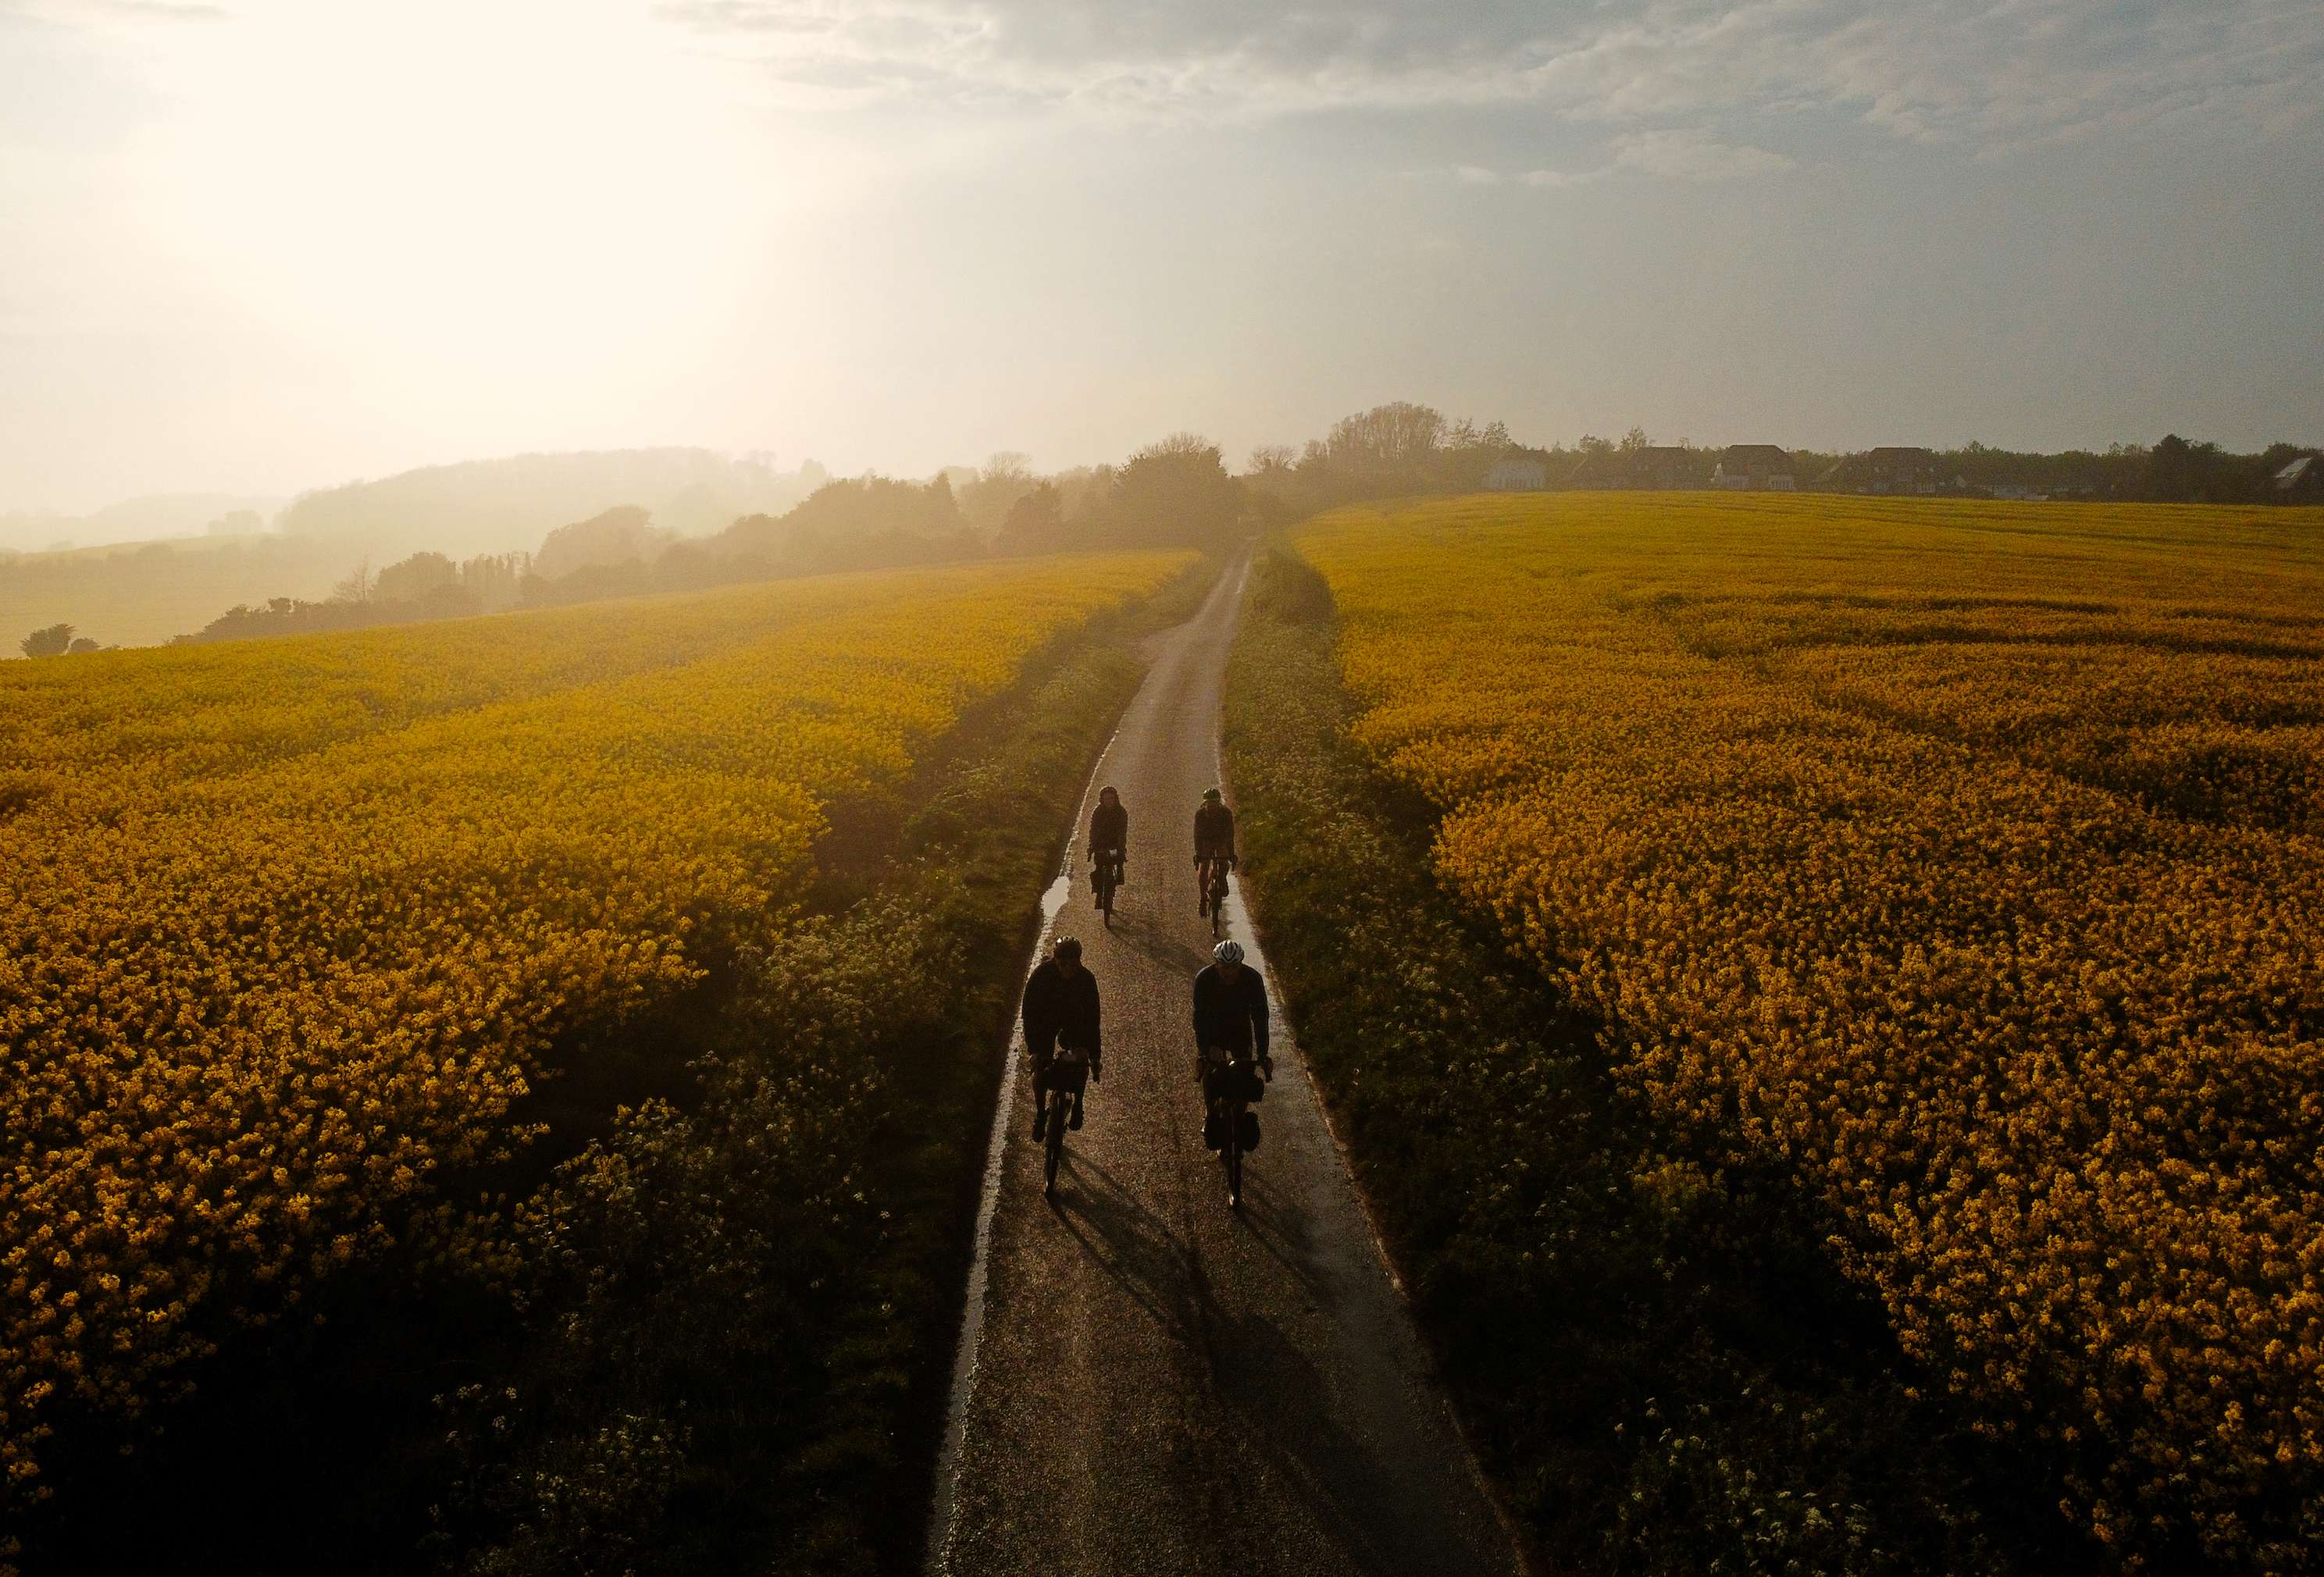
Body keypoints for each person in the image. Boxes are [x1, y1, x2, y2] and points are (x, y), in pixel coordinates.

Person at [1021, 934, 1101, 1141]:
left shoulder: (1086, 979)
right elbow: (1029, 1014)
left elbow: (1093, 1020)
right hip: (1046, 1020)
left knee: (1081, 1058)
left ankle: (1078, 1104)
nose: (1070, 968)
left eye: (1074, 963)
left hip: (1073, 1021)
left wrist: (1094, 1056)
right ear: (1055, 960)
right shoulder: (1040, 976)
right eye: (1064, 963)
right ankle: (1040, 1114)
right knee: (1039, 1068)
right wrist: (1033, 1051)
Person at [1192, 938, 1271, 1120]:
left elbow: (1260, 1017)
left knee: (1245, 1072)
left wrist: (1263, 1053)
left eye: (1233, 967)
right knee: (1210, 1068)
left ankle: (1239, 1114)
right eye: (1223, 967)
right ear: (1216, 964)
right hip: (1213, 1028)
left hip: (1239, 1028)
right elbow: (1200, 1017)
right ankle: (1211, 1111)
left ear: (1240, 965)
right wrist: (1205, 1049)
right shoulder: (1204, 979)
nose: (1228, 972)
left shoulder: (1253, 979)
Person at [1192, 787, 1236, 913]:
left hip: (1221, 840)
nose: (1211, 806)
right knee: (1204, 866)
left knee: (1224, 862)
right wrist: (1197, 853)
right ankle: (1202, 898)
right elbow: (1197, 834)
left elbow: (1230, 834)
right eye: (1209, 803)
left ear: (1219, 803)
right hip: (1206, 841)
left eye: (1214, 803)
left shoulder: (1226, 813)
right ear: (1205, 803)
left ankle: (1221, 878)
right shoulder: (1200, 814)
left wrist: (1231, 854)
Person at [1089, 785, 1127, 901]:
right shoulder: (1097, 812)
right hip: (1100, 844)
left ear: (1116, 799)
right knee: (1098, 868)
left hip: (1115, 843)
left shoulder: (1121, 812)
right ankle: (1098, 893)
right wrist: (1092, 846)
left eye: (1112, 798)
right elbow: (1093, 829)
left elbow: (1122, 831)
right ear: (1102, 800)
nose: (1109, 801)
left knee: (1118, 858)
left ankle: (1120, 873)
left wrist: (1121, 847)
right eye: (1107, 799)